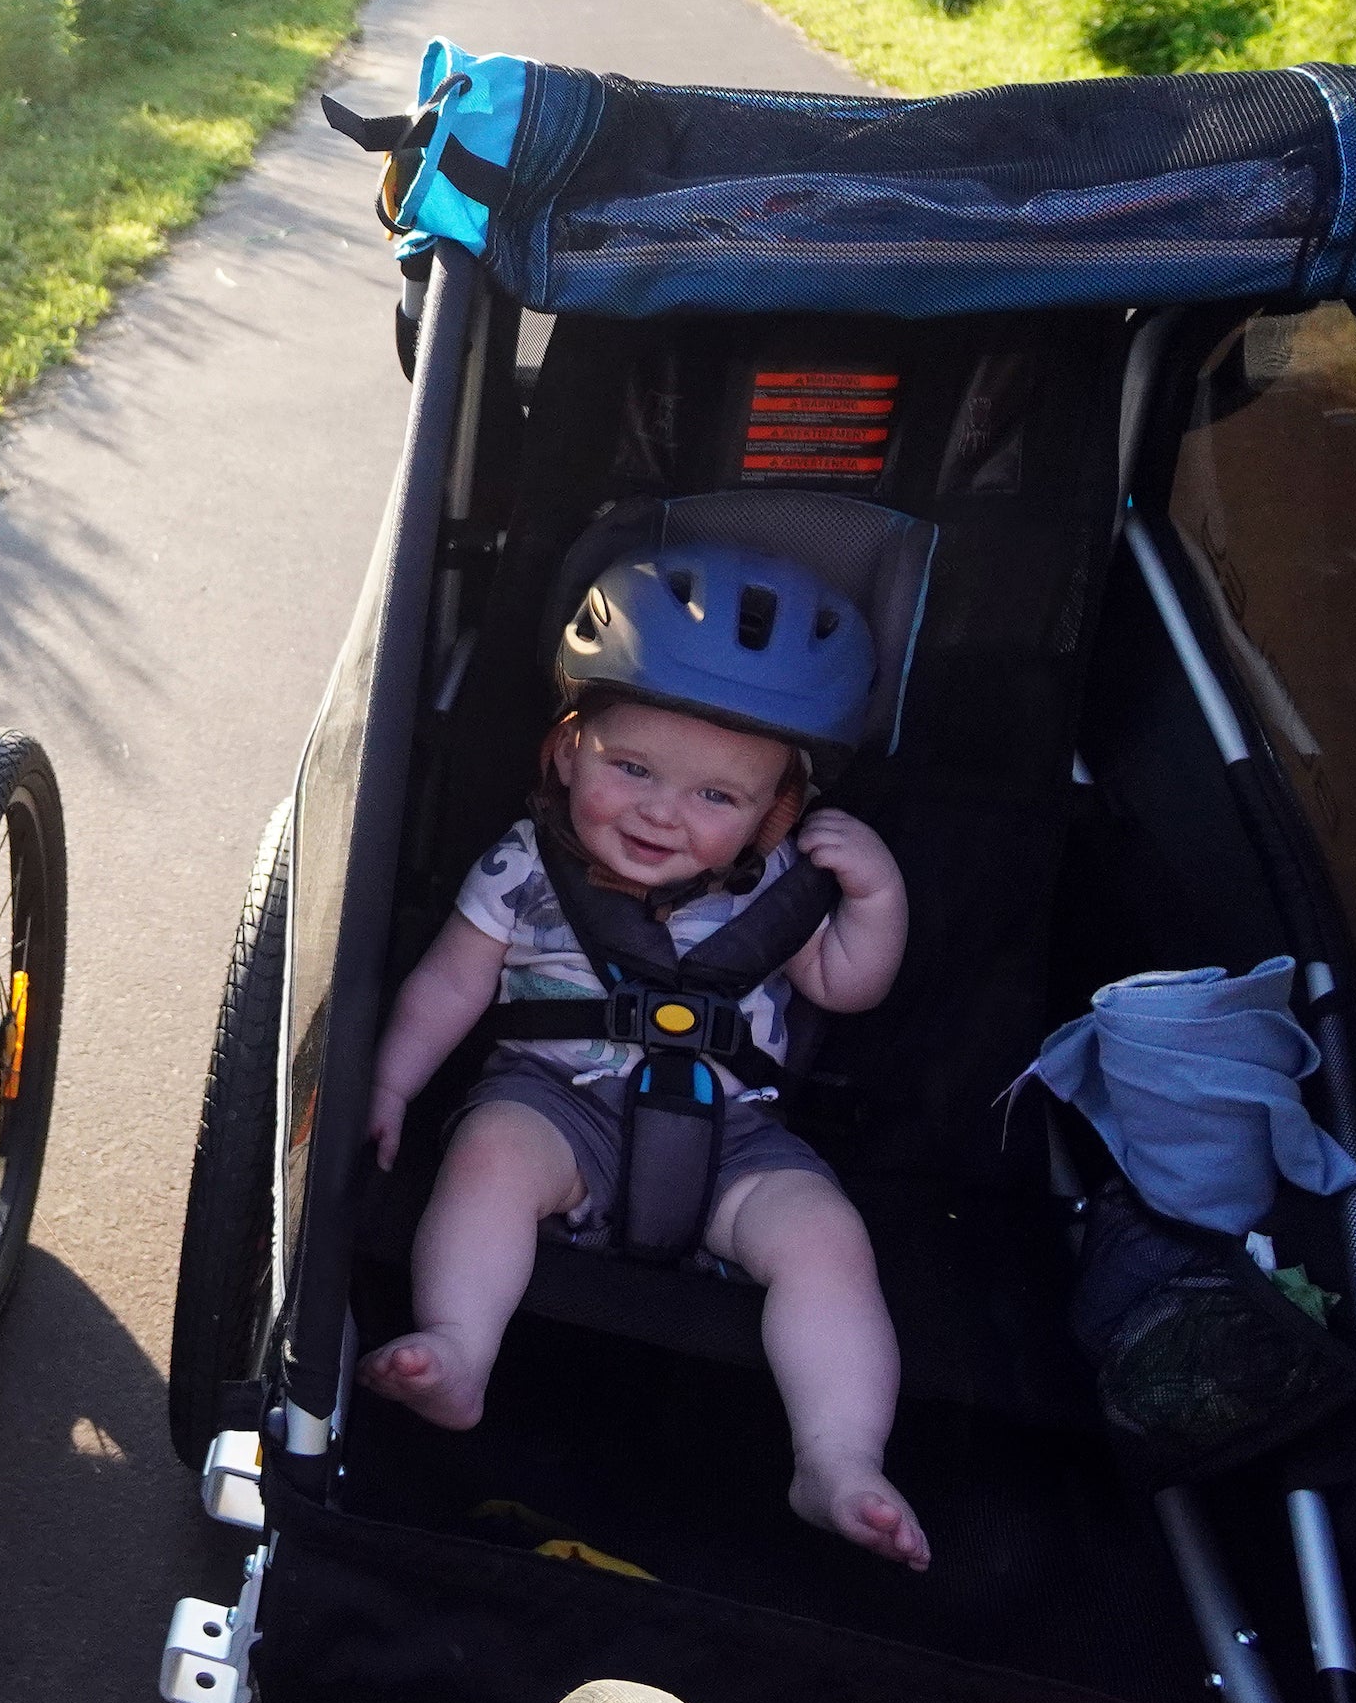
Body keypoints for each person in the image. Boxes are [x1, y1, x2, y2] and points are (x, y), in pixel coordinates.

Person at [358, 547, 929, 1568]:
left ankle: (837, 1456)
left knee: (826, 1239)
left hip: (735, 1139)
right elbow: (452, 982)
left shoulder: (779, 885)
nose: (664, 812)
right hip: (553, 1108)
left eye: (718, 796)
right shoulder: (523, 865)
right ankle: (456, 1345)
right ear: (568, 750)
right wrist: (392, 1080)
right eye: (632, 771)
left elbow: (847, 984)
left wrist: (873, 897)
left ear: (775, 811)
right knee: (485, 1157)